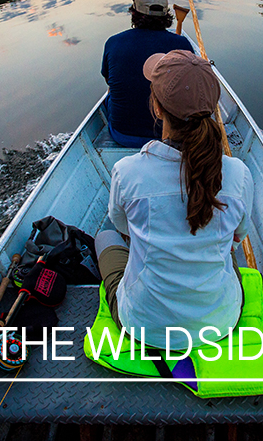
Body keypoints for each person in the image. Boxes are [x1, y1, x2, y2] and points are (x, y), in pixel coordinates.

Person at [94, 50, 254, 349]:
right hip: (219, 322)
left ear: (156, 108)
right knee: (225, 247)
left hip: (143, 325)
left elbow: (123, 228)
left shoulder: (127, 172)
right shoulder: (238, 173)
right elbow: (237, 237)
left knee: (104, 236)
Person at [101, 0, 194, 147]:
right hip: (171, 135)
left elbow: (109, 80)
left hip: (123, 134)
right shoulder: (182, 44)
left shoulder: (114, 42)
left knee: (109, 96)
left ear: (134, 14)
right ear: (166, 15)